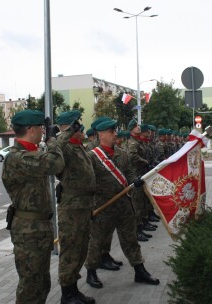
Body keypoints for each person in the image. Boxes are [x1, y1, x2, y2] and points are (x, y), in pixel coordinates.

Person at [85, 117, 160, 290]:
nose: (115, 134)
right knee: (97, 241)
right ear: (101, 134)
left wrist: (136, 181)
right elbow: (87, 183)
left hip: (124, 206)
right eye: (111, 132)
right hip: (103, 207)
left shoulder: (122, 154)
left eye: (114, 131)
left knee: (130, 239)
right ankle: (91, 272)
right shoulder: (92, 157)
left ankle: (139, 270)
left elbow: (129, 174)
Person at [2, 109, 65, 304]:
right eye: (40, 128)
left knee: (42, 283)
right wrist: (53, 140)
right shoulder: (17, 157)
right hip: (28, 231)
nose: (42, 132)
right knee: (30, 286)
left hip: (39, 228)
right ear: (31, 129)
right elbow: (56, 163)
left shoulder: (31, 153)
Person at [54, 111, 96, 304]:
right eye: (76, 125)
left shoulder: (78, 148)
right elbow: (53, 148)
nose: (81, 129)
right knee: (70, 250)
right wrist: (66, 132)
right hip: (71, 209)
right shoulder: (64, 148)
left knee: (80, 250)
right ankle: (66, 295)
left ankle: (73, 290)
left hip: (84, 206)